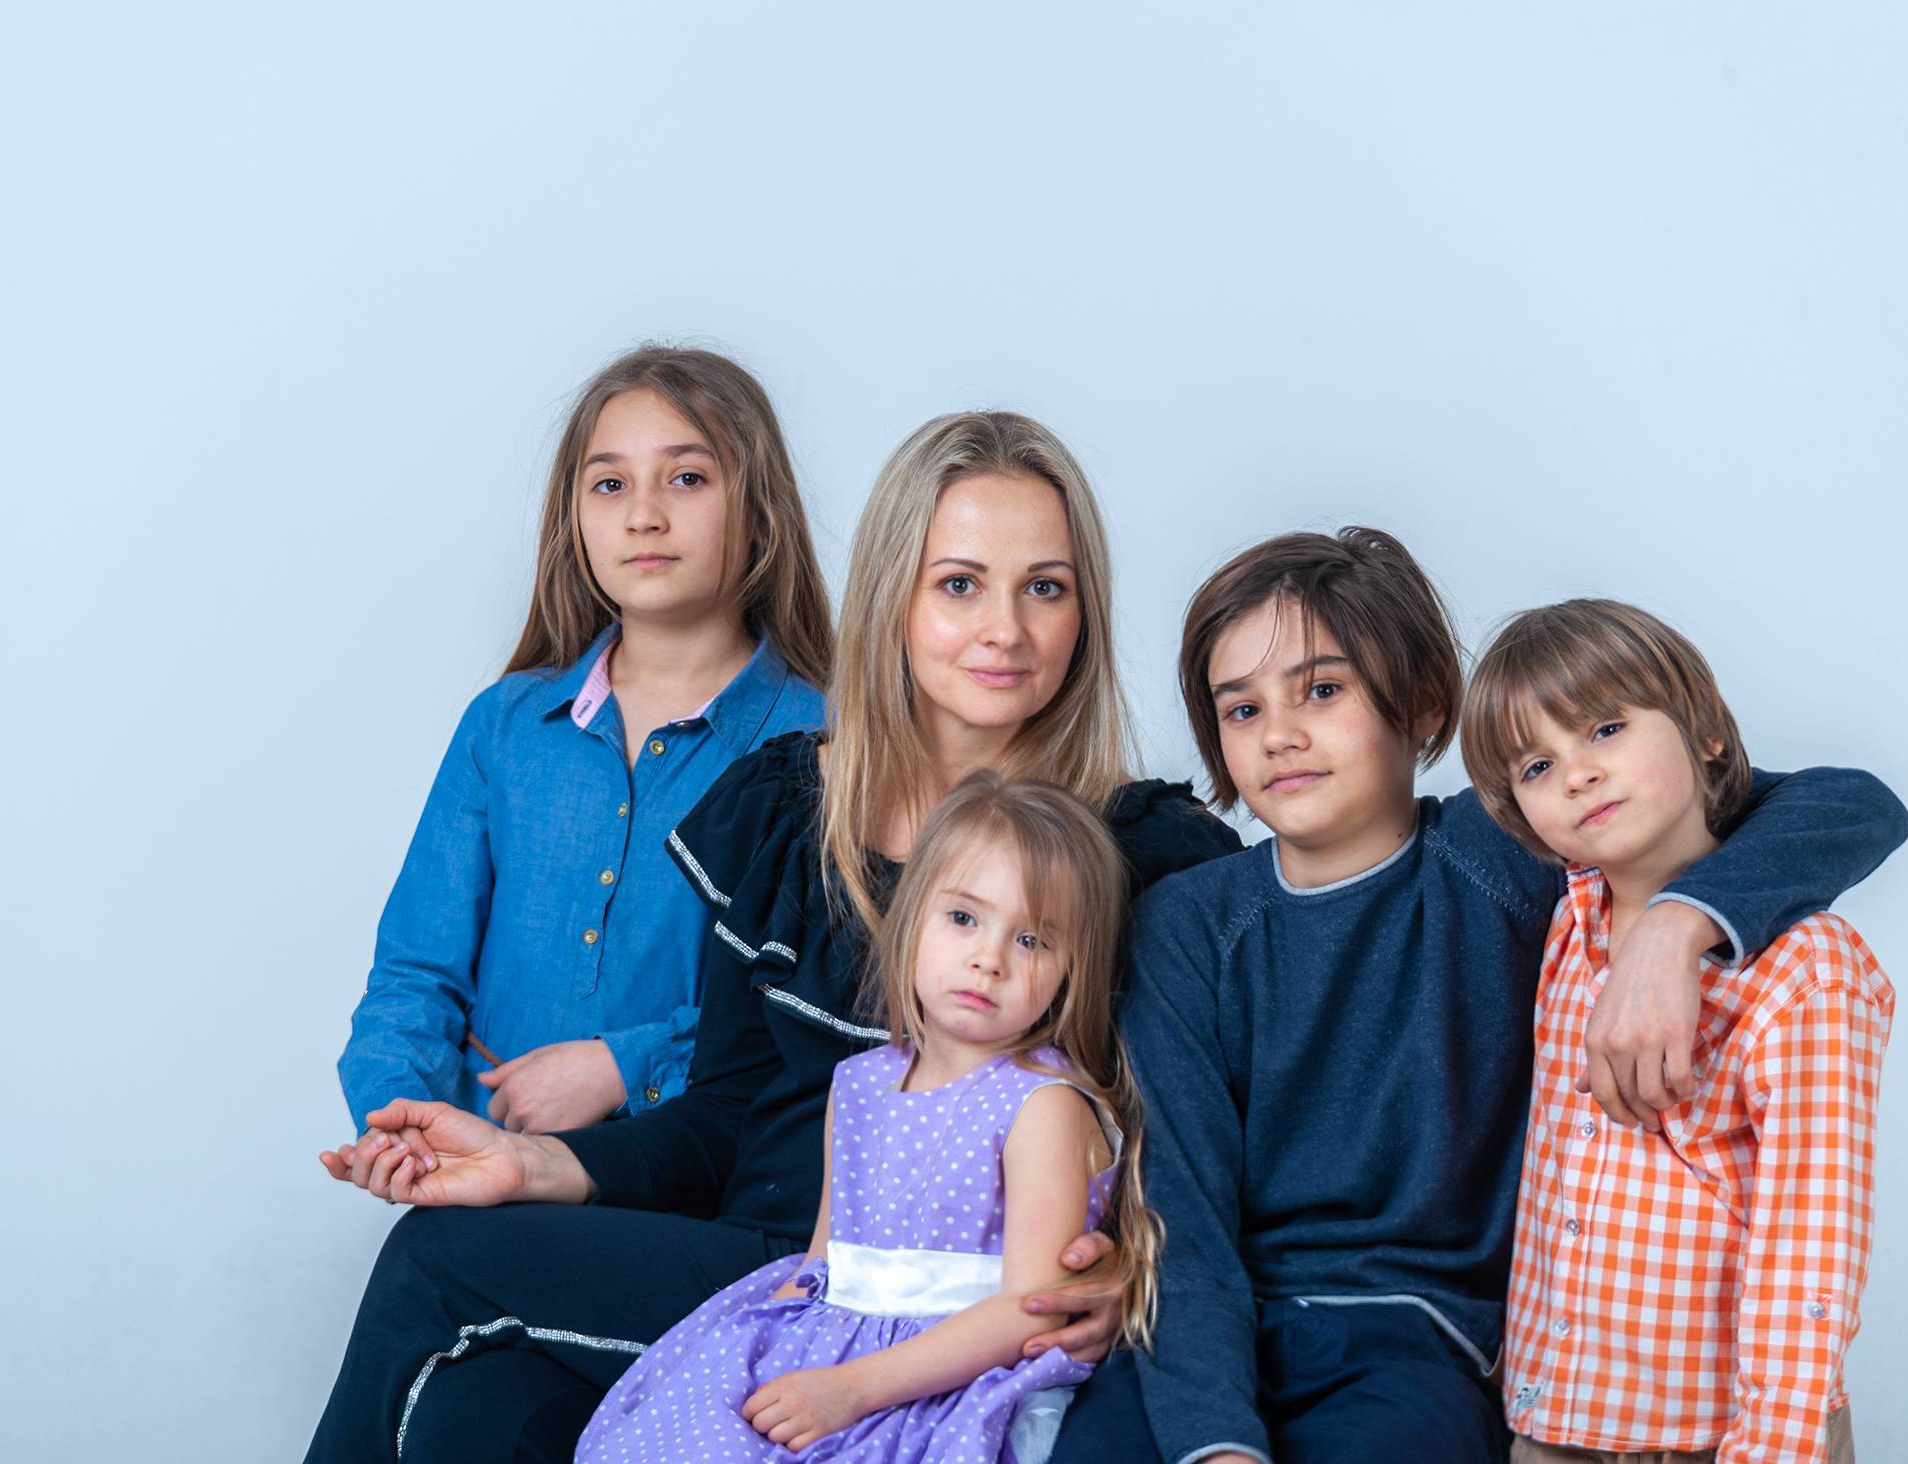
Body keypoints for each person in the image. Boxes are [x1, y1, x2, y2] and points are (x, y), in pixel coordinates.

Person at [304, 411, 1240, 1464]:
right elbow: (723, 1118)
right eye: (960, 584)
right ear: (893, 596)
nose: (1005, 631)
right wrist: (532, 1164)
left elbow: (1197, 1139)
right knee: (475, 1411)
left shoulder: (1141, 854)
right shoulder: (789, 810)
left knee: (432, 1264)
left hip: (953, 1303)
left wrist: (1136, 1268)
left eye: (1046, 588)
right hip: (777, 1277)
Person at [1054, 528, 1907, 1464]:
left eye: (1323, 690)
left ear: (1424, 699)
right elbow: (1182, 1207)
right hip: (1209, 1321)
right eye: (1242, 709)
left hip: (1420, 1340)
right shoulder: (1188, 925)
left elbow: (1851, 803)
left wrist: (1676, 926)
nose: (1280, 734)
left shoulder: (1513, 852)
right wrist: (1217, 1444)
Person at [330, 346, 831, 1175]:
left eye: (687, 478)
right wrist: (398, 1119)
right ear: (575, 517)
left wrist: (623, 1066)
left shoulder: (826, 746)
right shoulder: (505, 727)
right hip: (482, 1178)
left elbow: (817, 1017)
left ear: (760, 509)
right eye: (609, 484)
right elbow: (414, 974)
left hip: (703, 1190)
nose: (643, 516)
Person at [578, 772, 1158, 1463]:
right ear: (910, 920)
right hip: (834, 1352)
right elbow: (825, 1261)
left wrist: (852, 1389)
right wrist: (763, 1358)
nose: (989, 960)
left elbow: (1029, 1312)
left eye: (1031, 940)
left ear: (1071, 970)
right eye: (963, 918)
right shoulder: (858, 1083)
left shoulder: (1042, 1105)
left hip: (954, 1380)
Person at [1462, 599, 1890, 1464]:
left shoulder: (1806, 970)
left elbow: (1809, 1242)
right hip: (1554, 1419)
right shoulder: (1565, 921)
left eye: (1606, 728)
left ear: (1707, 734)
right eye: (1538, 765)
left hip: (1718, 1434)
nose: (1578, 774)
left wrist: (1771, 1445)